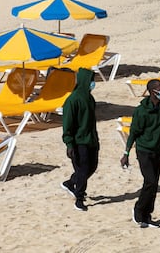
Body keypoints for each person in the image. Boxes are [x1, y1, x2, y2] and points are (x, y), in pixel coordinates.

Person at [120, 79, 160, 228]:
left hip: (159, 151)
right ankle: (138, 210)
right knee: (150, 181)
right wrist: (126, 153)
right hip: (144, 151)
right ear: (152, 92)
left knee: (154, 185)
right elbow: (133, 133)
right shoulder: (141, 111)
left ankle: (147, 215)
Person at [61, 68, 99, 212]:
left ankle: (71, 183)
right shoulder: (73, 100)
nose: (93, 84)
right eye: (91, 81)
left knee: (92, 166)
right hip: (79, 142)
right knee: (82, 170)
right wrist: (69, 144)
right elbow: (68, 124)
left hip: (92, 140)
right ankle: (79, 198)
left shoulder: (90, 98)